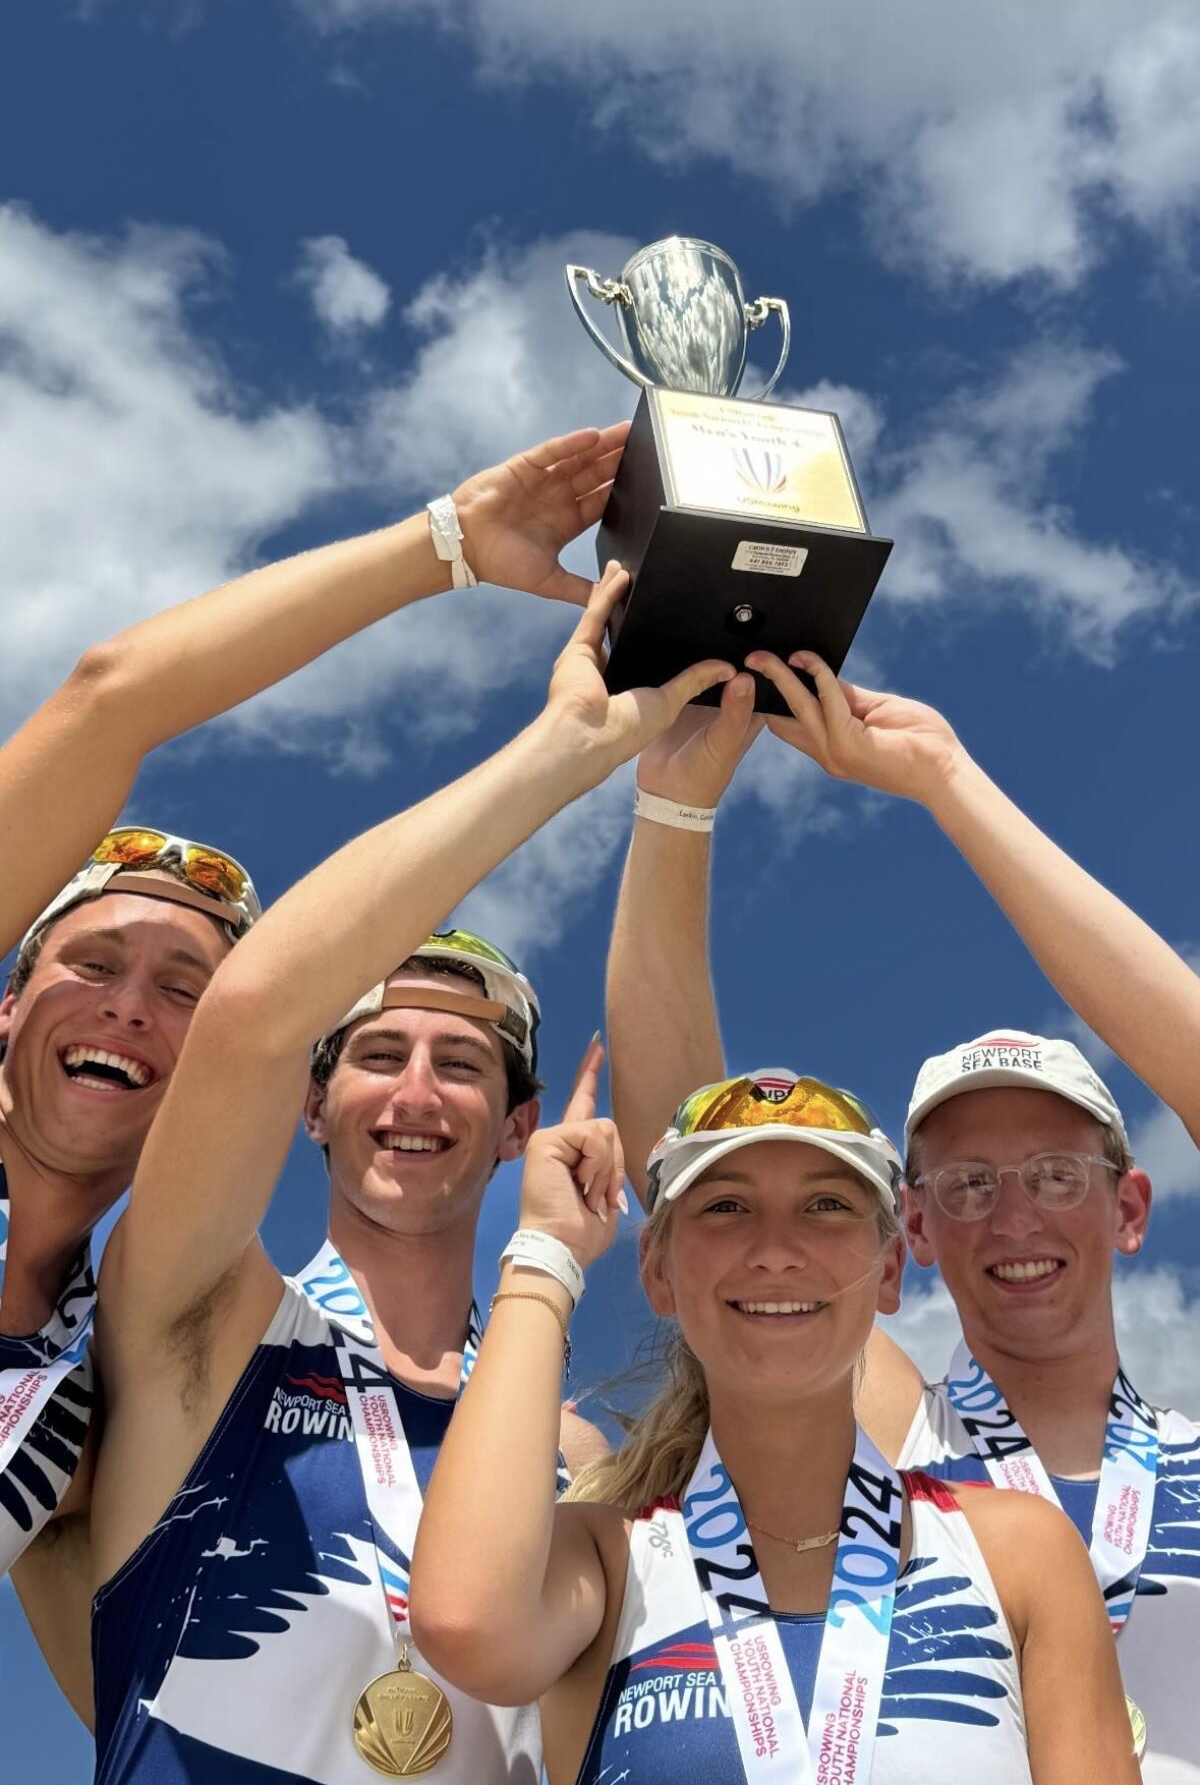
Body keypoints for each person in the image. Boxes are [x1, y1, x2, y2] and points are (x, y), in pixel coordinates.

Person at [0, 418, 626, 1720]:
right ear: (6, 1004)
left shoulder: (78, 1356)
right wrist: (443, 543)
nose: (134, 1007)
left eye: (186, 989)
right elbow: (112, 693)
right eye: (93, 962)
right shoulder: (171, 1328)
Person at [86, 565, 735, 1783]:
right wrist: (567, 749)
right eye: (378, 1055)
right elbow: (248, 1014)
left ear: (515, 1121)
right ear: (310, 1103)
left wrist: (677, 811)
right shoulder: (203, 1319)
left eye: (463, 1066)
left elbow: (725, 1218)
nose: (419, 1094)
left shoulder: (569, 1440)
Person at [605, 647, 1200, 1780]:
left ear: (1130, 1206)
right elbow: (683, 1165)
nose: (1012, 1217)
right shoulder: (889, 1436)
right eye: (967, 1185)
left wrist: (947, 780)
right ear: (912, 1236)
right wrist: (672, 808)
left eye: (1055, 1175)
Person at [409, 1061, 1140, 1783]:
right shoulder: (607, 1560)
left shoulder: (1021, 1553)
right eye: (726, 1206)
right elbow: (465, 1625)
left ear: (888, 1271)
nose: (777, 1250)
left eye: (826, 1205)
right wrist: (548, 1247)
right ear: (658, 1270)